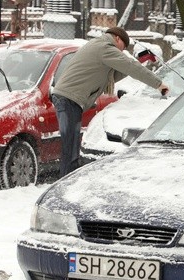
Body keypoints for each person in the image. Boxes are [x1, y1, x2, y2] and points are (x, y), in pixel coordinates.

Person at [52, 27, 169, 177]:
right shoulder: (104, 47)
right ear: (117, 39)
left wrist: (140, 59)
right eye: (123, 47)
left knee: (71, 148)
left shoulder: (99, 46)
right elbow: (129, 66)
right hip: (68, 99)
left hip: (67, 99)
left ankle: (66, 180)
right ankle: (64, 184)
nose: (122, 51)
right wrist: (159, 84)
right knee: (70, 149)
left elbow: (113, 75)